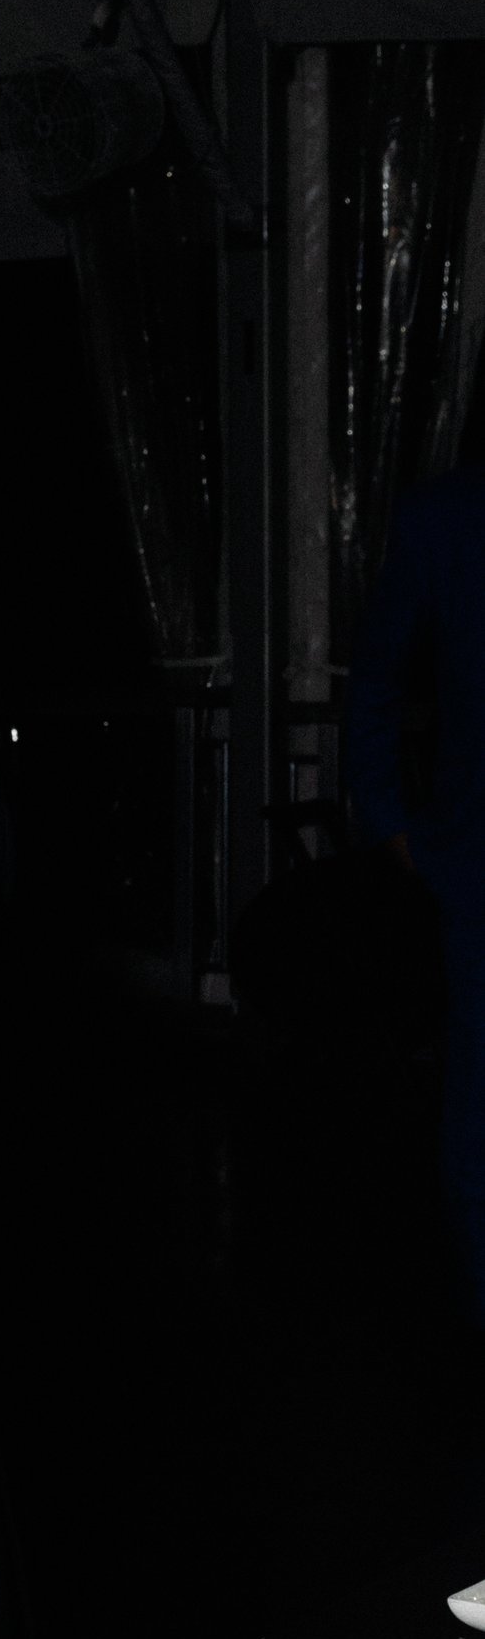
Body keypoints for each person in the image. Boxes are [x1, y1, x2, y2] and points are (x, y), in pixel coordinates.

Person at [346, 463, 485, 1357]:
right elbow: (377, 677)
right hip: (476, 862)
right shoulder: (447, 516)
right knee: (476, 1102)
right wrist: (394, 824)